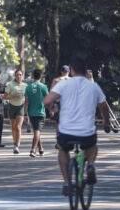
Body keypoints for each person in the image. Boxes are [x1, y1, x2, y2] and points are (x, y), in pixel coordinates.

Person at [43, 60, 113, 197]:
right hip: (87, 132)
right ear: (85, 70)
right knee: (92, 146)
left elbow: (46, 101)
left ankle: (66, 183)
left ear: (71, 69)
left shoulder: (63, 84)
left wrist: (52, 107)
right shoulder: (93, 87)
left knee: (63, 149)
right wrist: (106, 123)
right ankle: (91, 165)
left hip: (66, 131)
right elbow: (104, 107)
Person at [25, 69, 48, 157]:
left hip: (31, 113)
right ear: (41, 76)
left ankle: (41, 149)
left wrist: (25, 113)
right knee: (37, 131)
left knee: (36, 131)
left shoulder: (28, 87)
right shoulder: (43, 86)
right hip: (40, 112)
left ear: (33, 76)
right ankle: (33, 150)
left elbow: (26, 101)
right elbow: (48, 98)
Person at [5, 69, 27, 154]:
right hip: (12, 107)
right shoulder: (10, 84)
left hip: (20, 107)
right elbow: (4, 97)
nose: (18, 76)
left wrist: (26, 111)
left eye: (20, 75)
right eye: (17, 75)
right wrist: (13, 96)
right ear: (15, 76)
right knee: (13, 127)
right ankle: (15, 142)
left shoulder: (25, 85)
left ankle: (16, 145)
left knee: (18, 127)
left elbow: (27, 98)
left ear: (22, 76)